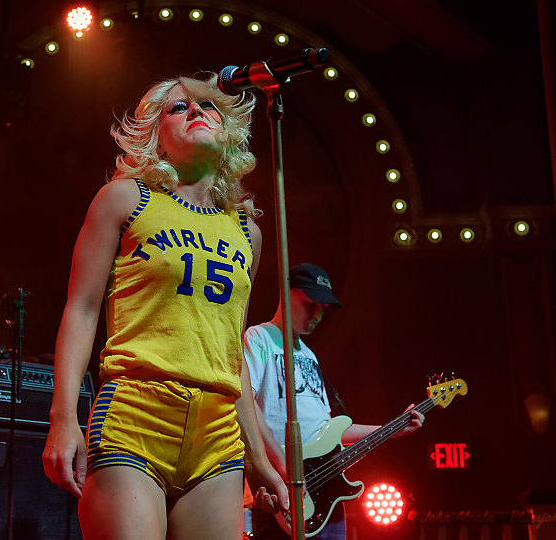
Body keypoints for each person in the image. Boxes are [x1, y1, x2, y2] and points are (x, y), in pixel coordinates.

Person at [42, 74, 288, 540]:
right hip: (136, 415)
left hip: (217, 436)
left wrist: (258, 461)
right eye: (179, 108)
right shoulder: (126, 199)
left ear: (230, 130)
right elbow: (82, 310)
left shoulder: (247, 232)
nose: (196, 112)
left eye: (206, 106)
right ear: (154, 136)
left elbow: (229, 349)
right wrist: (62, 418)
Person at [243, 263, 425, 540]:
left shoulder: (310, 356)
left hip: (326, 496)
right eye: (311, 304)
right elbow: (246, 404)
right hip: (282, 490)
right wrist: (282, 466)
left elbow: (330, 430)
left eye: (323, 309)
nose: (317, 315)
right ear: (286, 293)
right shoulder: (259, 338)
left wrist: (394, 428)